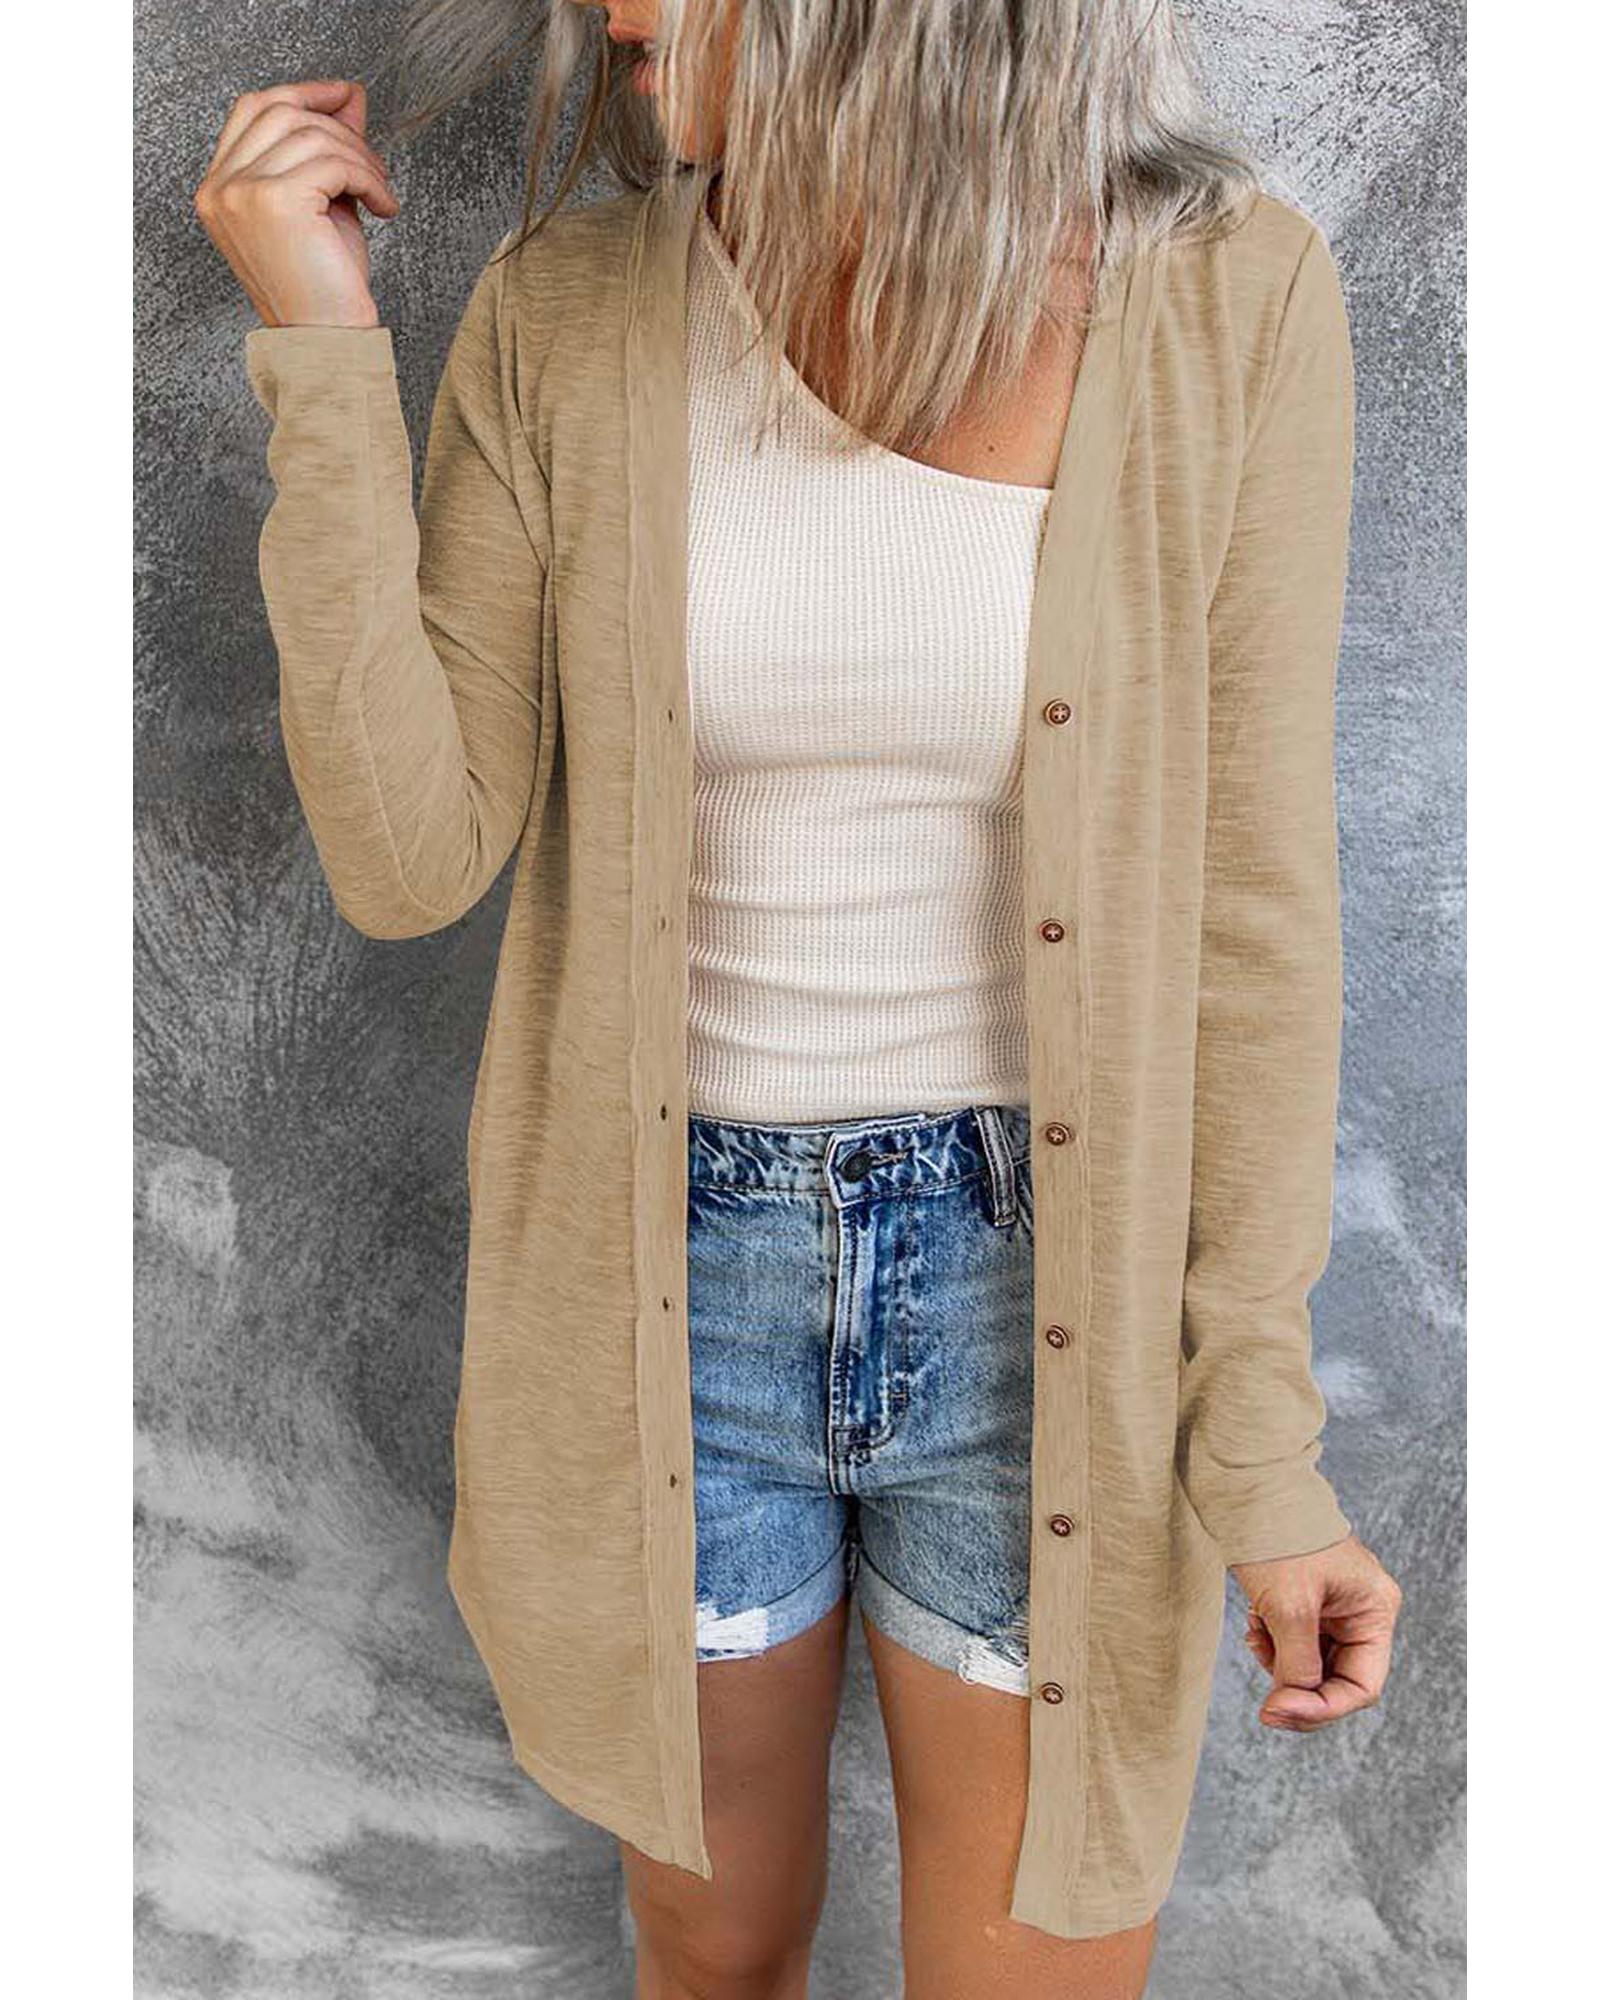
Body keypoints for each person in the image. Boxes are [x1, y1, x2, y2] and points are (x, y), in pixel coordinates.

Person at [195, 4, 1404, 1994]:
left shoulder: (1228, 298)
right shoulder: (567, 310)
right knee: (713, 1947)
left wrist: (1259, 1455)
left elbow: (1257, 916)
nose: (606, 9)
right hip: (667, 1297)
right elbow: (409, 860)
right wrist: (320, 359)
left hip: (1051, 1310)